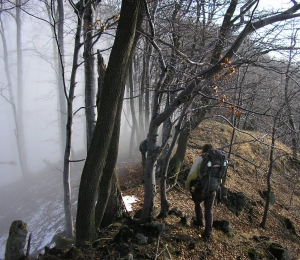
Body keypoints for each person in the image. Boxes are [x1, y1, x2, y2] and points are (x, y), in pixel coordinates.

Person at [185, 143, 216, 241]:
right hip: (213, 189)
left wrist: (188, 186)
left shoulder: (200, 159)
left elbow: (192, 174)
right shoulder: (216, 161)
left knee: (197, 201)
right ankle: (208, 232)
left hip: (201, 188)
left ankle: (199, 220)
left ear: (203, 150)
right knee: (209, 210)